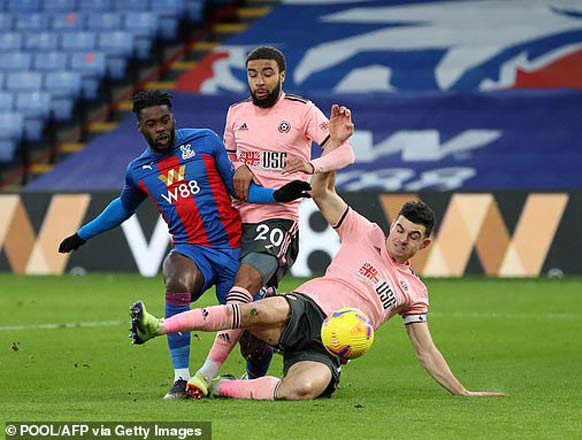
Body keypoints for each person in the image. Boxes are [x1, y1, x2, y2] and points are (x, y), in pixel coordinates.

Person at [129, 106, 504, 400]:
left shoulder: (414, 292)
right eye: (400, 229)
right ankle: (160, 327)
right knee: (250, 309)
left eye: (412, 237)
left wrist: (462, 391)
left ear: (424, 245)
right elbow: (322, 193)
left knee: (302, 390)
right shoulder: (365, 233)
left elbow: (426, 351)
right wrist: (335, 144)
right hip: (304, 309)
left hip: (331, 346)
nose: (401, 239)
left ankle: (221, 387)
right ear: (393, 225)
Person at [58, 90, 311, 400]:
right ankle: (180, 379)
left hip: (234, 250)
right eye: (152, 123)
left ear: (173, 118)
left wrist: (278, 194)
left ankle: (252, 379)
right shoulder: (139, 171)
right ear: (141, 127)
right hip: (193, 251)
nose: (161, 128)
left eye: (165, 120)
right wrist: (81, 235)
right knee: (176, 277)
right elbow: (122, 208)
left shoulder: (204, 142)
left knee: (255, 328)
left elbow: (239, 188)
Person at [189, 45, 355, 392]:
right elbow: (230, 162)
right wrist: (240, 167)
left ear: (282, 75)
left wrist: (313, 166)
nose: (259, 81)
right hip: (237, 219)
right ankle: (253, 380)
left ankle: (201, 377)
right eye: (252, 74)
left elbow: (345, 151)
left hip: (278, 219)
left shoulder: (302, 111)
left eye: (267, 73)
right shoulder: (236, 113)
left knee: (243, 287)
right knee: (250, 318)